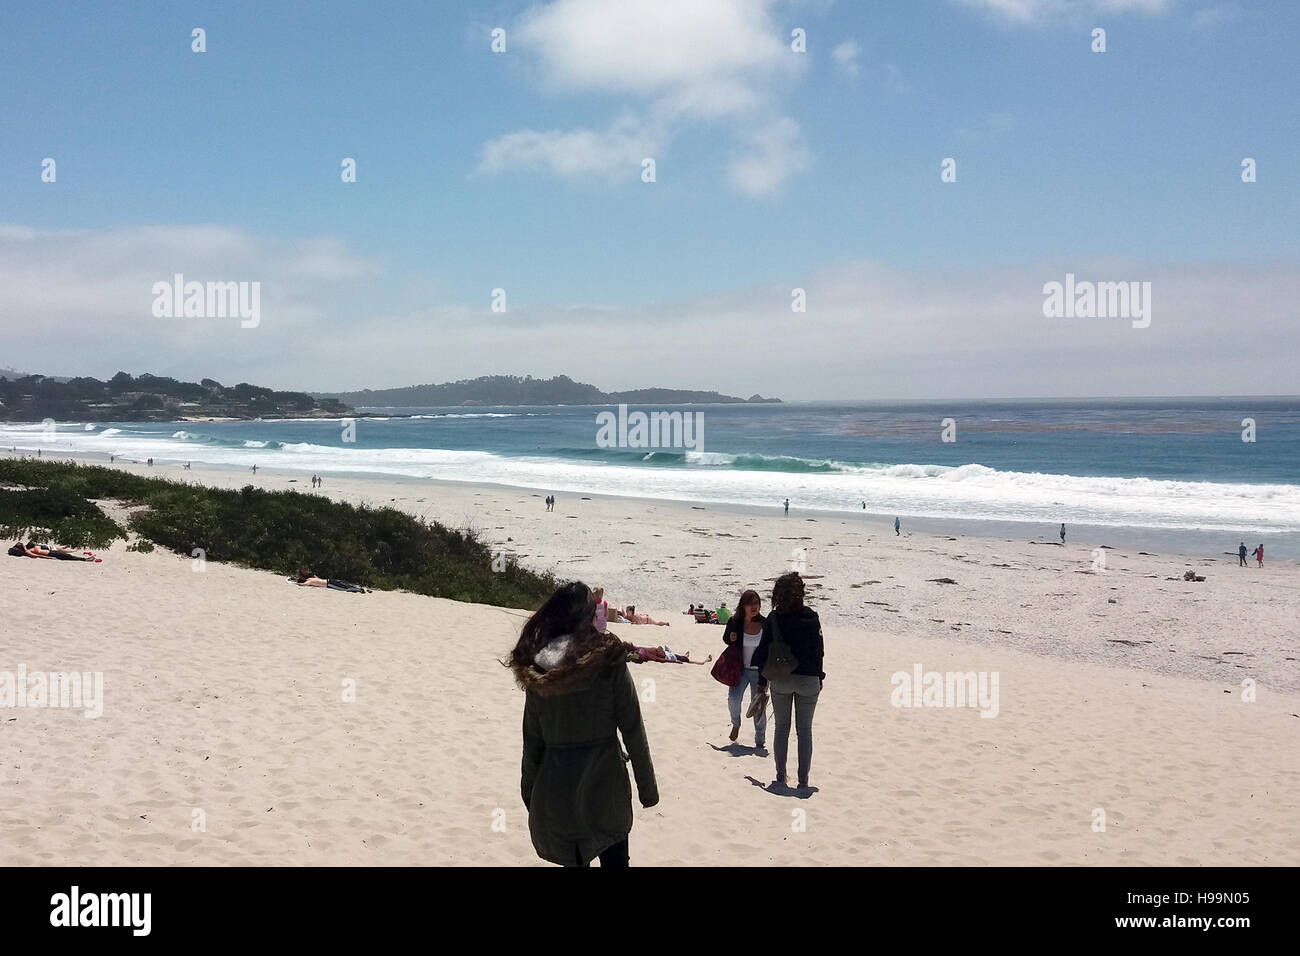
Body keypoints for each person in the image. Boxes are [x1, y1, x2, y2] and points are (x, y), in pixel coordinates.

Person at [506, 581, 658, 867]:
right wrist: (647, 789)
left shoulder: (539, 668)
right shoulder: (608, 661)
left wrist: (530, 794)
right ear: (589, 617)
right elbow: (632, 727)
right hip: (606, 788)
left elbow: (533, 743)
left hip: (557, 791)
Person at [751, 572, 825, 790]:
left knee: (781, 728)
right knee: (805, 731)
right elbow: (819, 652)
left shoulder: (774, 619)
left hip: (781, 679)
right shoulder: (811, 617)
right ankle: (803, 781)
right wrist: (820, 678)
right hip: (808, 681)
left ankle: (781, 775)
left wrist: (761, 683)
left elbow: (763, 653)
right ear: (801, 593)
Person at [723, 589, 767, 750]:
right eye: (750, 604)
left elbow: (770, 645)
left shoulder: (765, 623)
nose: (754, 607)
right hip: (739, 669)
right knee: (733, 699)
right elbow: (726, 638)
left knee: (758, 706)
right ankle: (736, 723)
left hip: (759, 672)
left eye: (756, 603)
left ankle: (760, 740)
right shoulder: (735, 621)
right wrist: (731, 638)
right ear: (743, 606)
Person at [624, 643, 710, 664]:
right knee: (687, 660)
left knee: (680, 656)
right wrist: (675, 662)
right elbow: (660, 660)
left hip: (666, 653)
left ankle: (684, 656)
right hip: (669, 656)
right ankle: (705, 661)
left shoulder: (638, 649)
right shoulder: (643, 653)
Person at [294, 569, 369, 592]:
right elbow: (314, 577)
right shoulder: (313, 578)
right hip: (329, 581)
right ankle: (357, 588)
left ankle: (358, 590)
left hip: (329, 584)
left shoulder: (309, 580)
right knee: (343, 585)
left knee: (343, 589)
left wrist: (297, 584)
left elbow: (305, 584)